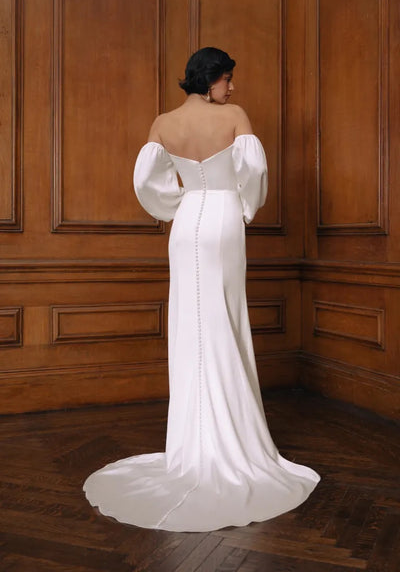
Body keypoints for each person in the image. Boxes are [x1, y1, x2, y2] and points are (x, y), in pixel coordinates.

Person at [83, 47, 320, 532]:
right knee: (224, 319)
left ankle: (193, 446)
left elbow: (146, 181)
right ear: (211, 79)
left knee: (193, 323)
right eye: (228, 79)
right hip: (223, 219)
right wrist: (244, 206)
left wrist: (177, 203)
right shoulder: (234, 116)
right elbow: (253, 175)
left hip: (187, 220)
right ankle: (231, 442)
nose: (231, 89)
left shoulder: (163, 123)